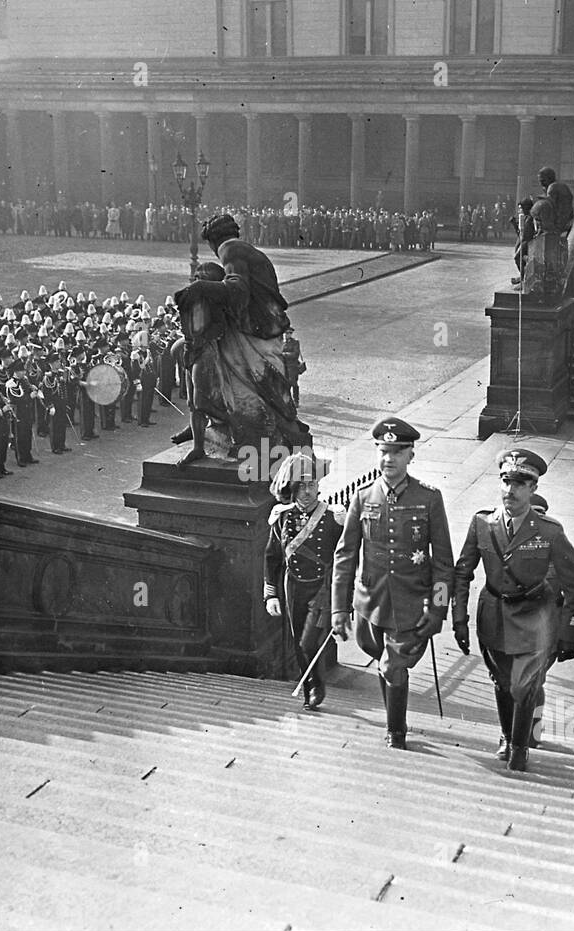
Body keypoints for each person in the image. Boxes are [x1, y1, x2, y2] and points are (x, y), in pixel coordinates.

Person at [452, 448, 574, 771]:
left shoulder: (550, 531)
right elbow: (462, 572)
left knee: (524, 685)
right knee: (501, 681)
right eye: (506, 481)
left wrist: (570, 631)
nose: (510, 489)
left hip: (535, 618)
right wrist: (458, 618)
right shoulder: (482, 523)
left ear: (533, 489)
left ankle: (520, 748)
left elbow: (573, 583)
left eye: (520, 483)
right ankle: (507, 736)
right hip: (494, 615)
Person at [331, 418, 454, 750]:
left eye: (397, 453)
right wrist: (339, 608)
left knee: (392, 664)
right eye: (384, 452)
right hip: (370, 604)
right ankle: (394, 717)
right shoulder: (362, 498)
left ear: (410, 455)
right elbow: (345, 556)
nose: (389, 459)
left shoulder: (429, 499)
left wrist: (439, 609)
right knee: (380, 658)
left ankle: (395, 733)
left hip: (410, 604)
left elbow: (444, 562)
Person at [172, 213, 311, 465]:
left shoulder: (229, 250)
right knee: (252, 380)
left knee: (254, 382)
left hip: (257, 328)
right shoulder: (244, 249)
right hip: (263, 324)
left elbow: (237, 289)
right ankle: (219, 426)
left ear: (214, 242)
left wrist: (199, 288)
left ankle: (239, 430)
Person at [264, 453, 344, 710]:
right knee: (300, 638)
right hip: (294, 585)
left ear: (319, 486)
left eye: (311, 485)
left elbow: (347, 557)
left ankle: (316, 683)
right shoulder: (282, 517)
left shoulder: (334, 517)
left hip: (323, 587)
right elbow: (272, 557)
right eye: (301, 486)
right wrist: (271, 594)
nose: (307, 492)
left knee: (310, 640)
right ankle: (310, 685)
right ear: (292, 488)